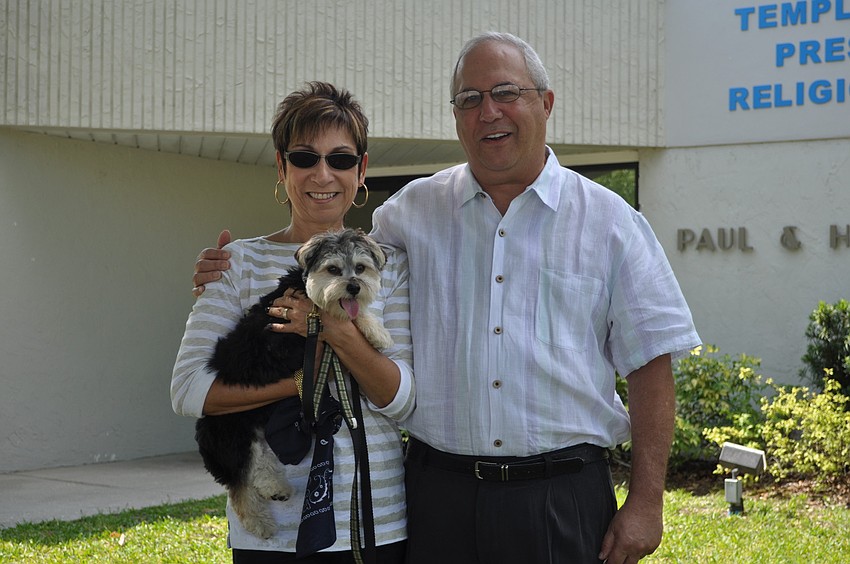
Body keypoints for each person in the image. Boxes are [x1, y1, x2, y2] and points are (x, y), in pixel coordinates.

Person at [194, 33, 700, 564]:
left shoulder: (611, 221)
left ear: (545, 103)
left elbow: (651, 361)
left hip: (561, 497)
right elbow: (335, 261)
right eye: (469, 99)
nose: (488, 112)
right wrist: (229, 269)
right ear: (455, 116)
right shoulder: (410, 213)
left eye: (505, 93)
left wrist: (647, 501)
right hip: (439, 500)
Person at [173, 81, 414, 563]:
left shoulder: (387, 263)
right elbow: (188, 391)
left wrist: (333, 329)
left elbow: (402, 399)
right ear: (282, 168)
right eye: (304, 157)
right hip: (274, 536)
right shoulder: (236, 262)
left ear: (361, 170)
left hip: (374, 523)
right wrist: (299, 384)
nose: (322, 173)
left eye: (341, 158)